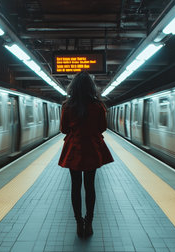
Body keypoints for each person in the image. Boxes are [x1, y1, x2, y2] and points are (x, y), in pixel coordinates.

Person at [58, 71, 114, 238]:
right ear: (91, 87)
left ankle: (78, 223)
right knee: (90, 186)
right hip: (92, 149)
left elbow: (64, 129)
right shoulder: (98, 106)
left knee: (75, 186)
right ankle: (89, 223)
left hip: (74, 150)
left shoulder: (67, 106)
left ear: (73, 87)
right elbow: (102, 128)